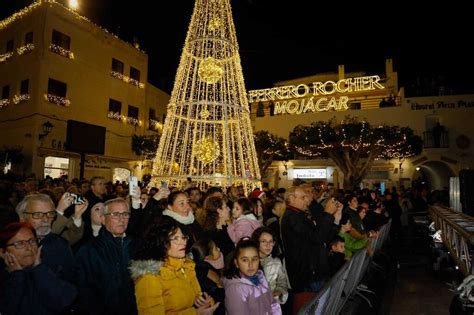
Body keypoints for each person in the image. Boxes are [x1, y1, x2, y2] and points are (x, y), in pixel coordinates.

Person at [130, 216, 219, 314]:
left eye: (183, 237)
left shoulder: (186, 266)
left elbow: (196, 300)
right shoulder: (149, 277)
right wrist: (195, 313)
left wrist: (205, 302)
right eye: (175, 238)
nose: (183, 242)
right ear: (161, 242)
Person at [74, 198, 137, 315]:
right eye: (115, 214)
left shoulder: (136, 246)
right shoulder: (89, 250)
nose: (121, 219)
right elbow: (83, 293)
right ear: (103, 219)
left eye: (125, 214)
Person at [0, 222, 77, 314]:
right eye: (19, 243)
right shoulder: (4, 280)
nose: (29, 248)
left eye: (32, 241)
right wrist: (16, 276)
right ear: (2, 252)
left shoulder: (46, 271)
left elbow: (65, 301)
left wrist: (39, 269)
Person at [15, 193, 76, 282]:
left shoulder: (60, 243)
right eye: (38, 214)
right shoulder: (12, 246)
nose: (46, 219)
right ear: (22, 217)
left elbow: (71, 281)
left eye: (50, 214)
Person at [223, 238, 281, 314]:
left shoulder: (260, 277)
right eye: (245, 260)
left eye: (254, 259)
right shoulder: (235, 290)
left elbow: (273, 303)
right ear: (236, 263)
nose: (250, 265)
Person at [252, 227, 289, 305]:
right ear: (256, 242)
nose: (268, 245)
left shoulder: (276, 262)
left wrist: (278, 292)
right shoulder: (249, 262)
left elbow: (282, 282)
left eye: (271, 241)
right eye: (263, 241)